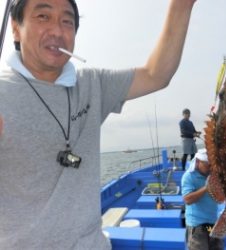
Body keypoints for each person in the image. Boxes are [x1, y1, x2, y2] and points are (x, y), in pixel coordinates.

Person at [0, 0, 198, 249]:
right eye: (43, 16)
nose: (58, 31)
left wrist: (181, 6)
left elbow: (155, 74)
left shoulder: (92, 84)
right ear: (15, 28)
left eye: (67, 21)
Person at [181, 149, 224, 250]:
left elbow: (221, 197)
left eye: (211, 165)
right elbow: (187, 199)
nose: (210, 168)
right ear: (198, 162)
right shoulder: (188, 177)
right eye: (207, 165)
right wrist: (206, 188)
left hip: (213, 222)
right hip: (197, 225)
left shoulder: (213, 174)